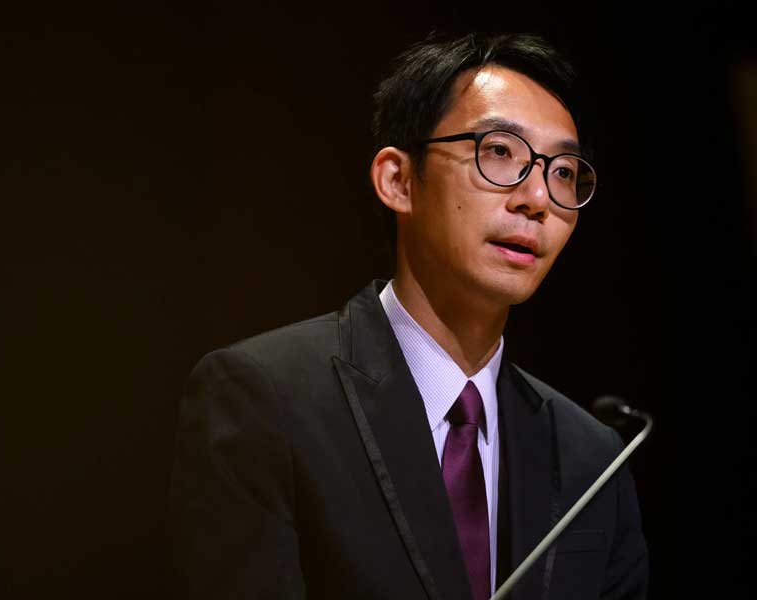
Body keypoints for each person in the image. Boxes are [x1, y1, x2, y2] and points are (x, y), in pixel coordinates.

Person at [170, 32, 648, 600]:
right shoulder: (264, 400)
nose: (537, 198)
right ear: (398, 180)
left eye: (563, 171)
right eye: (499, 152)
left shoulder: (591, 457)